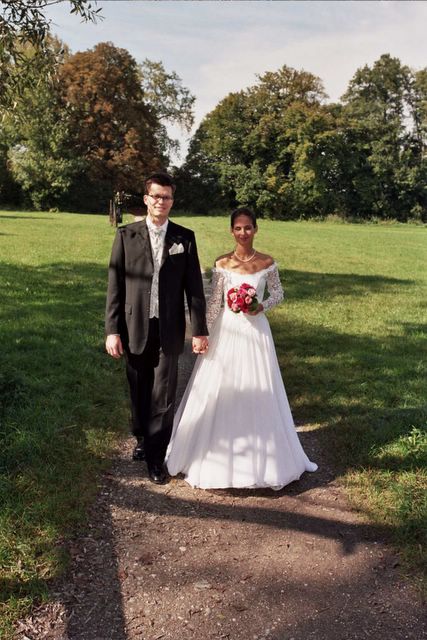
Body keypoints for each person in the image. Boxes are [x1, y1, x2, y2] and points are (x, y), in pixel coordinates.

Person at [166, 207, 317, 489]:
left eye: (248, 227)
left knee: (259, 386)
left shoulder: (267, 262)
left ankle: (266, 459)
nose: (243, 233)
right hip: (227, 331)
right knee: (222, 386)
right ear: (231, 230)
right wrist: (202, 332)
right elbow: (215, 302)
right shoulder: (222, 263)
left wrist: (262, 306)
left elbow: (279, 294)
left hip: (256, 331)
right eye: (238, 228)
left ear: (255, 229)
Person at [105, 172, 208, 484]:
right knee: (139, 390)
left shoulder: (184, 237)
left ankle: (155, 457)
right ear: (146, 199)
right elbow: (115, 286)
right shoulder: (126, 235)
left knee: (163, 395)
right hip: (134, 326)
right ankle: (141, 436)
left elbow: (194, 288)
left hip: (170, 329)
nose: (161, 201)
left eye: (167, 197)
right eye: (156, 196)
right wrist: (112, 330)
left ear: (172, 201)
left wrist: (199, 330)